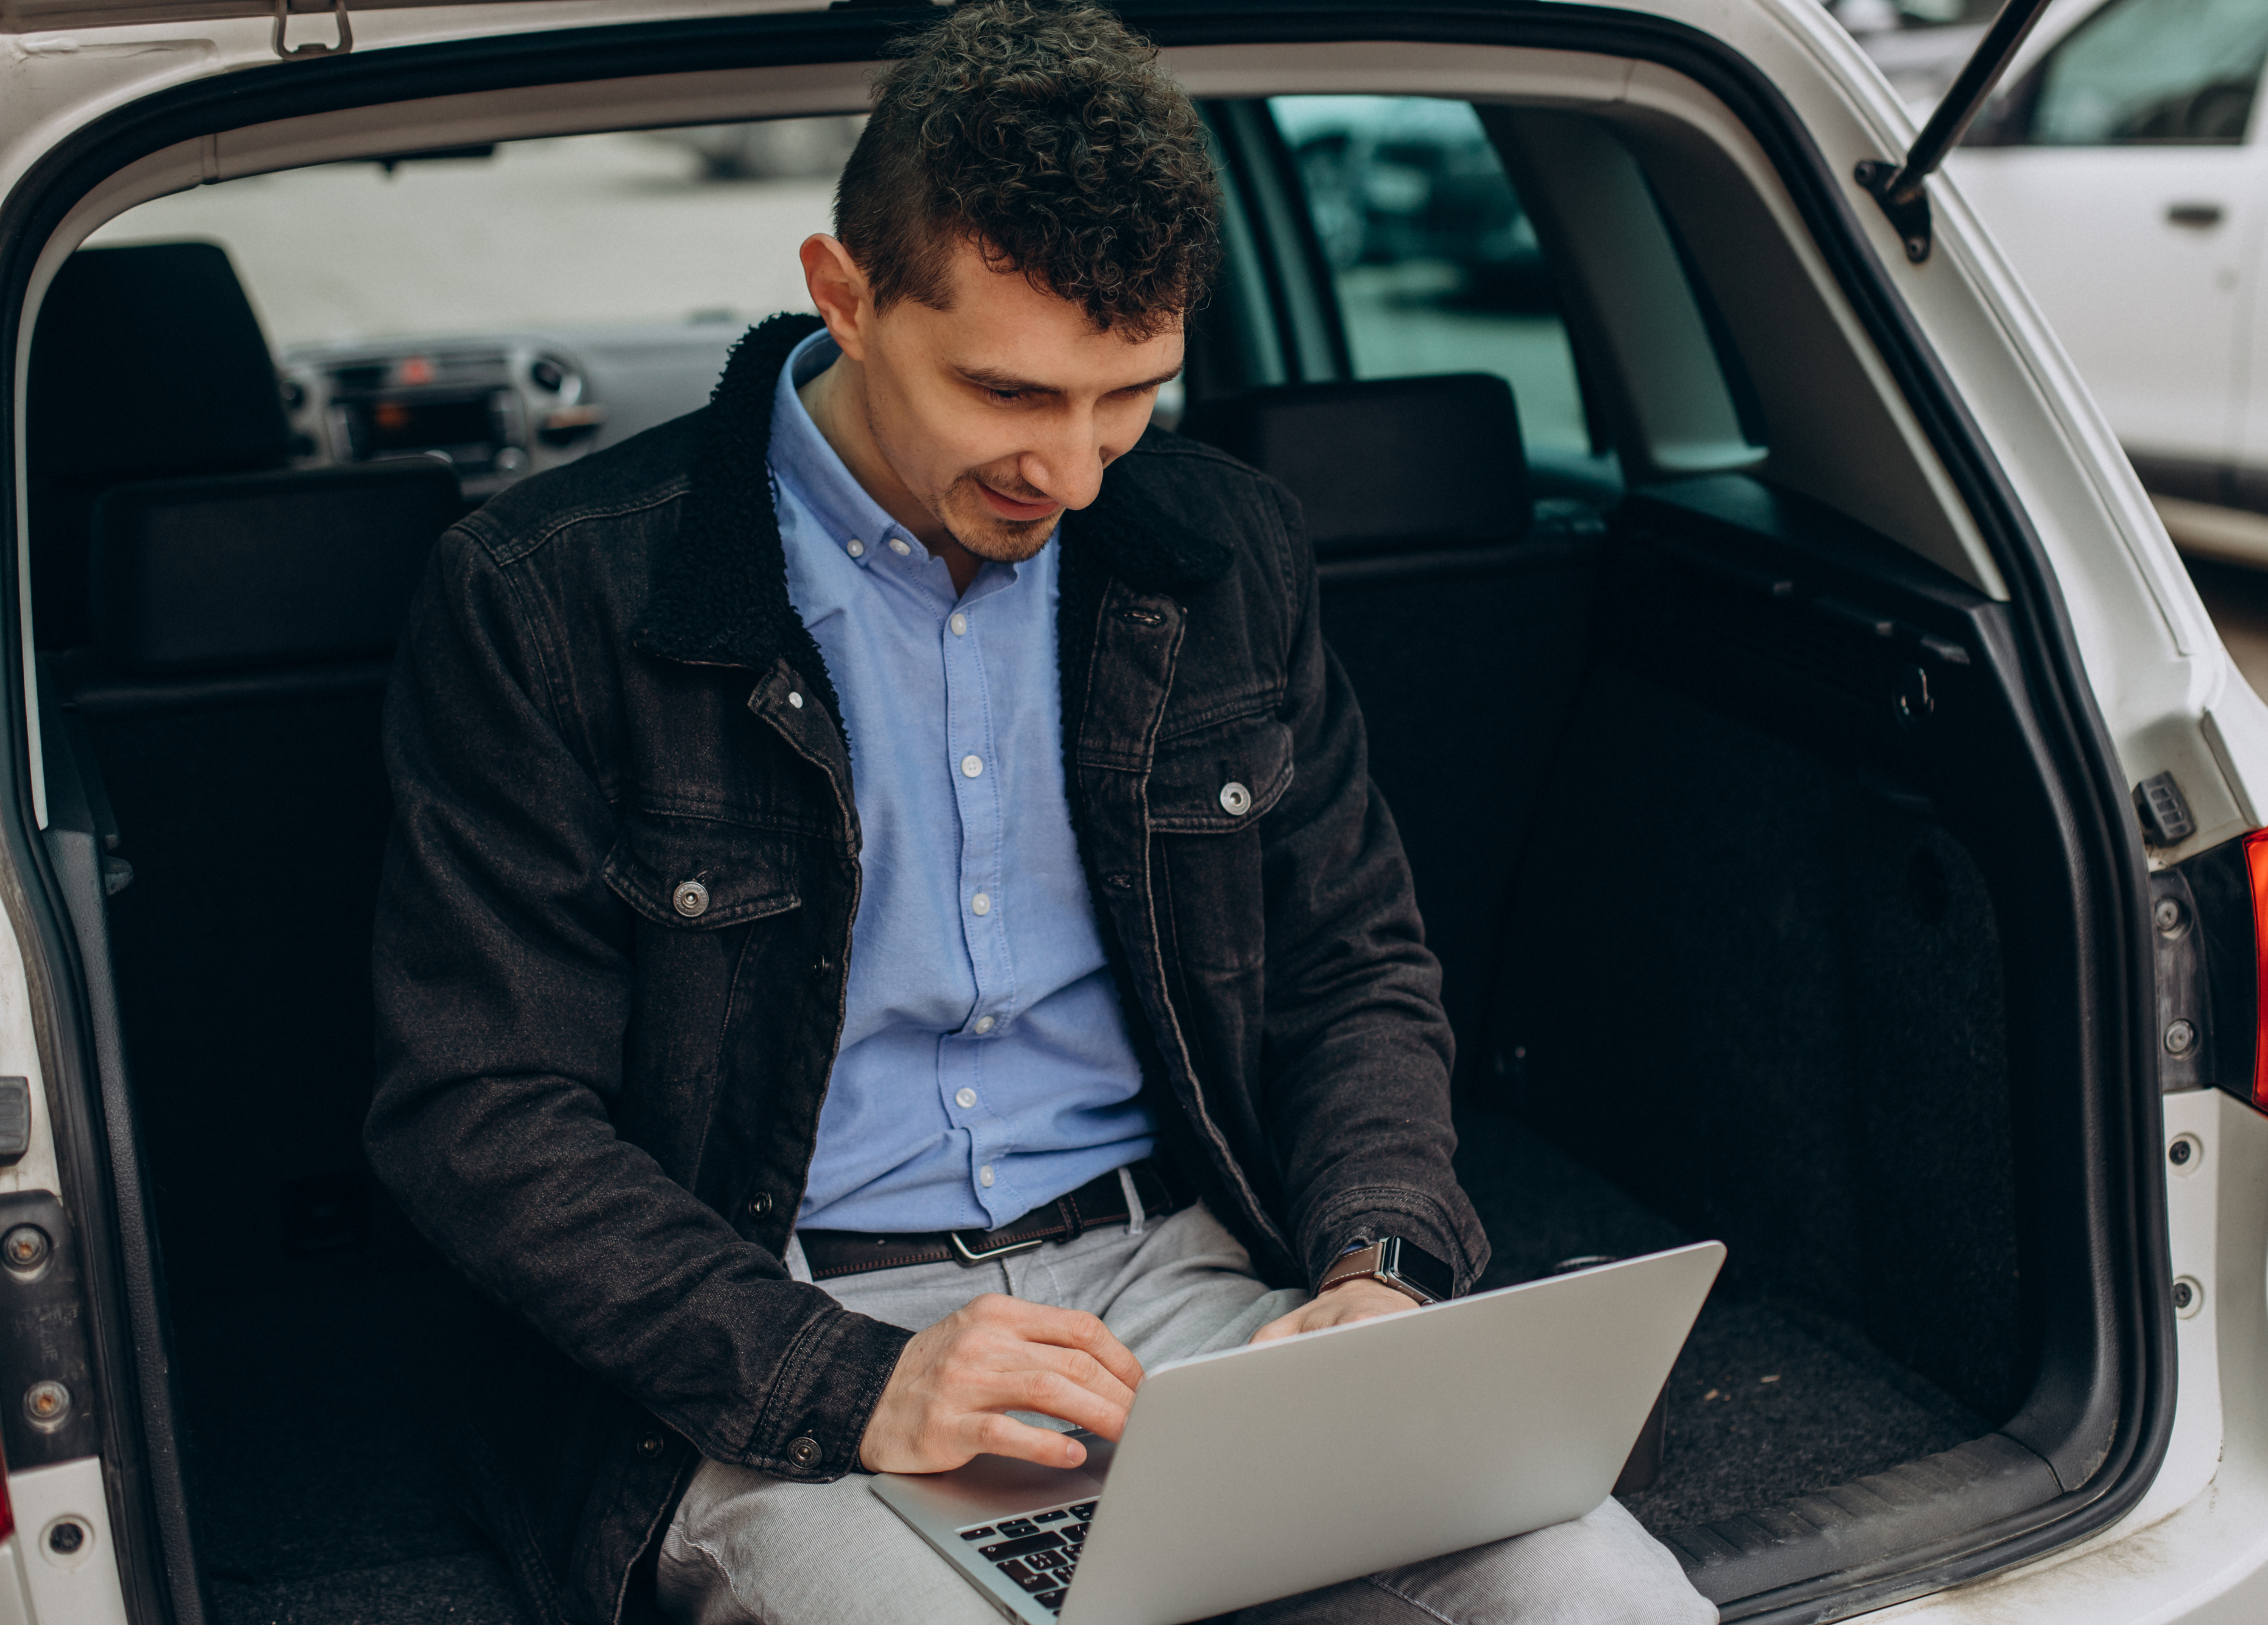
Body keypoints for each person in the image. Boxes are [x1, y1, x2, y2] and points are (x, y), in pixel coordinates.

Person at [365, 4, 1715, 1621]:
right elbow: (480, 1109)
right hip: (770, 1342)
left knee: (1604, 1599)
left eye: (1130, 392)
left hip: (1190, 1285)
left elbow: (1353, 964)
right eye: (1010, 392)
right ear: (844, 295)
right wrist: (836, 1375)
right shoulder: (553, 594)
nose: (1073, 473)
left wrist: (1373, 1265)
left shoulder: (1224, 548)